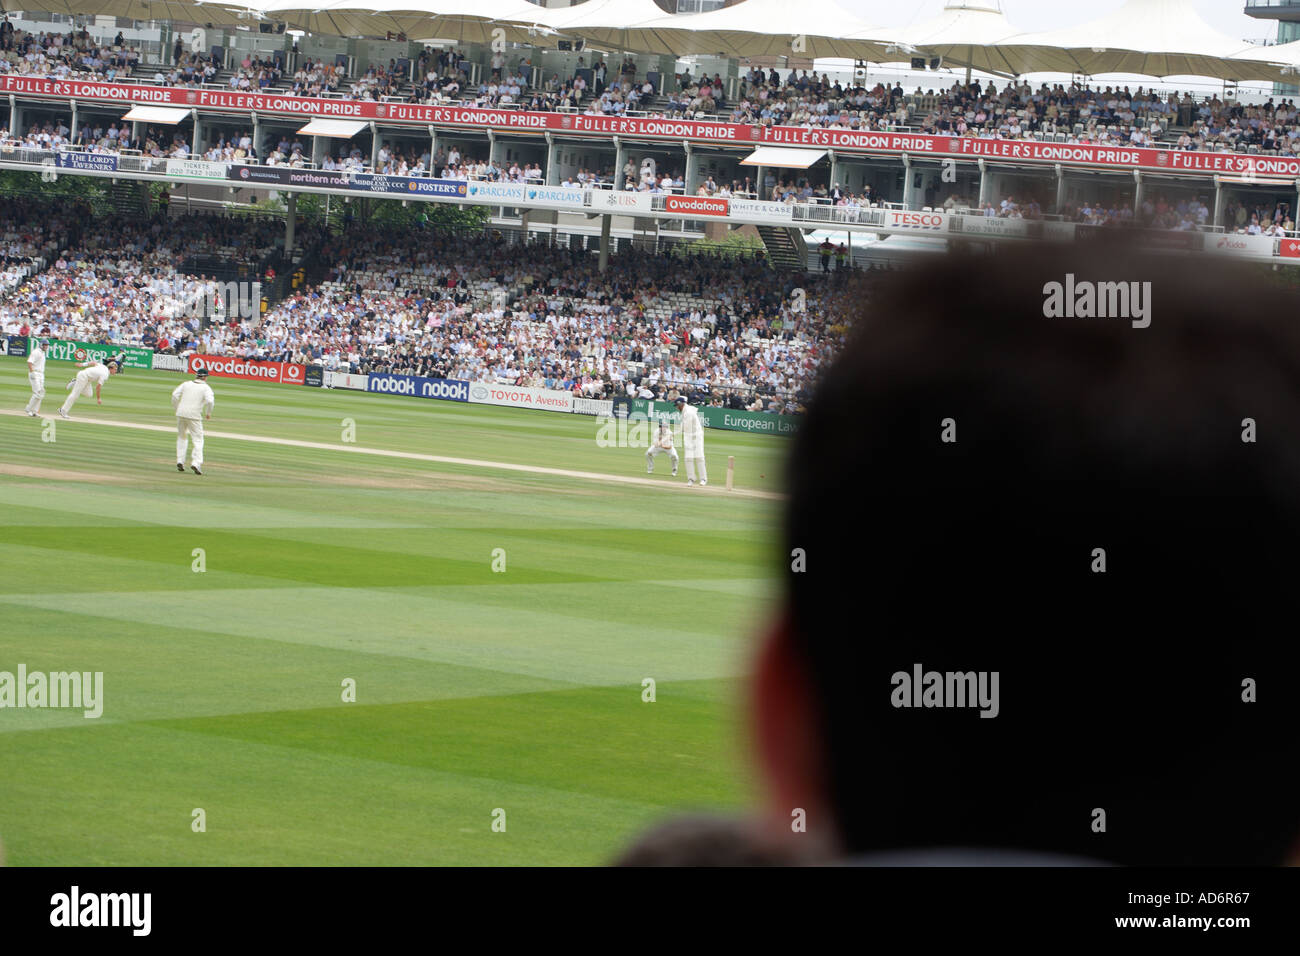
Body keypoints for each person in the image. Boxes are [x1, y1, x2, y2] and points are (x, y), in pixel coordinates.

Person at [172, 367, 215, 475]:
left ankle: (180, 461)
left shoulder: (186, 384)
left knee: (182, 437)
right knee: (198, 440)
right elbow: (210, 401)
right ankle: (196, 463)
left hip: (181, 413)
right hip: (194, 415)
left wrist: (177, 408)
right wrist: (208, 413)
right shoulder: (206, 388)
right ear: (205, 377)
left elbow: (174, 395)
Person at [674, 395, 707, 486]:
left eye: (677, 406)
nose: (677, 408)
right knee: (688, 458)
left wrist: (674, 434)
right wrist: (674, 434)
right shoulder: (685, 411)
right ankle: (691, 479)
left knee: (699, 457)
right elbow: (683, 425)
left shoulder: (688, 412)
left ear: (681, 404)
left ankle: (703, 479)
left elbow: (685, 427)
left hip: (696, 436)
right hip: (688, 436)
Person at [24, 333, 46, 417]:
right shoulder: (36, 352)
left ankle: (35, 411)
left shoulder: (42, 353)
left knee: (41, 393)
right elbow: (29, 362)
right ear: (41, 345)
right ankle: (28, 409)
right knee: (37, 392)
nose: (46, 347)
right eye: (45, 345)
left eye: (47, 345)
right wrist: (32, 372)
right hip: (35, 373)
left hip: (41, 374)